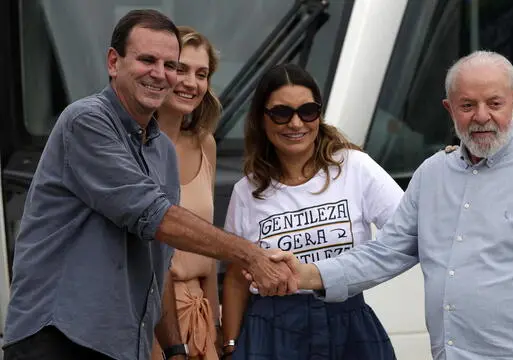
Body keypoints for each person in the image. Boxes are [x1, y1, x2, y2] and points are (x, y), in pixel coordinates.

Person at [256, 51, 513, 359]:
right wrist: (307, 274)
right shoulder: (432, 174)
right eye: (468, 105)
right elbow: (385, 253)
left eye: (495, 103)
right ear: (449, 109)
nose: (481, 116)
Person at [2, 9, 296, 360]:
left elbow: (159, 264)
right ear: (114, 62)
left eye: (170, 65)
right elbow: (153, 215)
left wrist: (175, 350)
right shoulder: (86, 121)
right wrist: (253, 255)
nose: (161, 74)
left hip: (122, 346)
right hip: (58, 338)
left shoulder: (161, 151)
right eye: (147, 60)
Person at [220, 63, 403, 360]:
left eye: (307, 111)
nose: (296, 123)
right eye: (281, 113)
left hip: (348, 322)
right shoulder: (246, 191)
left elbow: (407, 231)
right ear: (261, 120)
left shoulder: (354, 166)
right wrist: (230, 347)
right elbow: (237, 277)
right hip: (272, 330)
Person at [150, 26, 223, 360]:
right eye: (181, 69)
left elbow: (208, 250)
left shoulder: (205, 145)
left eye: (202, 73)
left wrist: (217, 328)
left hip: (200, 317)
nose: (191, 83)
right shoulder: (129, 146)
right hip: (149, 319)